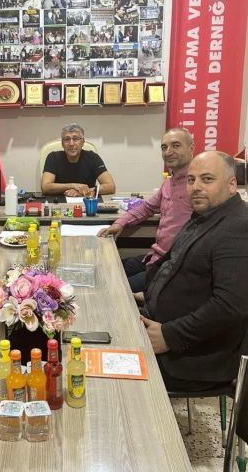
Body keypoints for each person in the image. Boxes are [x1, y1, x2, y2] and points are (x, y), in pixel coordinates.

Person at [139, 151, 248, 391]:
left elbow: (230, 306)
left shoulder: (238, 227)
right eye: (191, 180)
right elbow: (173, 266)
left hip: (189, 357)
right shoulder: (204, 215)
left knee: (106, 377)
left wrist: (169, 336)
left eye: (207, 179)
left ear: (232, 185)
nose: (196, 187)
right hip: (159, 326)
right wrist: (146, 295)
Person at [98, 128, 194, 291]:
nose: (168, 152)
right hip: (156, 258)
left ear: (191, 148)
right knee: (105, 271)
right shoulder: (168, 183)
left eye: (176, 145)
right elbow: (147, 207)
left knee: (115, 289)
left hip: (174, 267)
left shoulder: (196, 186)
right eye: (164, 147)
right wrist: (120, 223)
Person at [41, 123, 115, 197]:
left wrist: (84, 192)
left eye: (76, 139)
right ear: (62, 144)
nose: (71, 144)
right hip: (58, 202)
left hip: (86, 201)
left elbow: (110, 187)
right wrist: (73, 185)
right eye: (67, 139)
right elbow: (45, 187)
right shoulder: (53, 157)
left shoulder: (93, 157)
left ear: (82, 142)